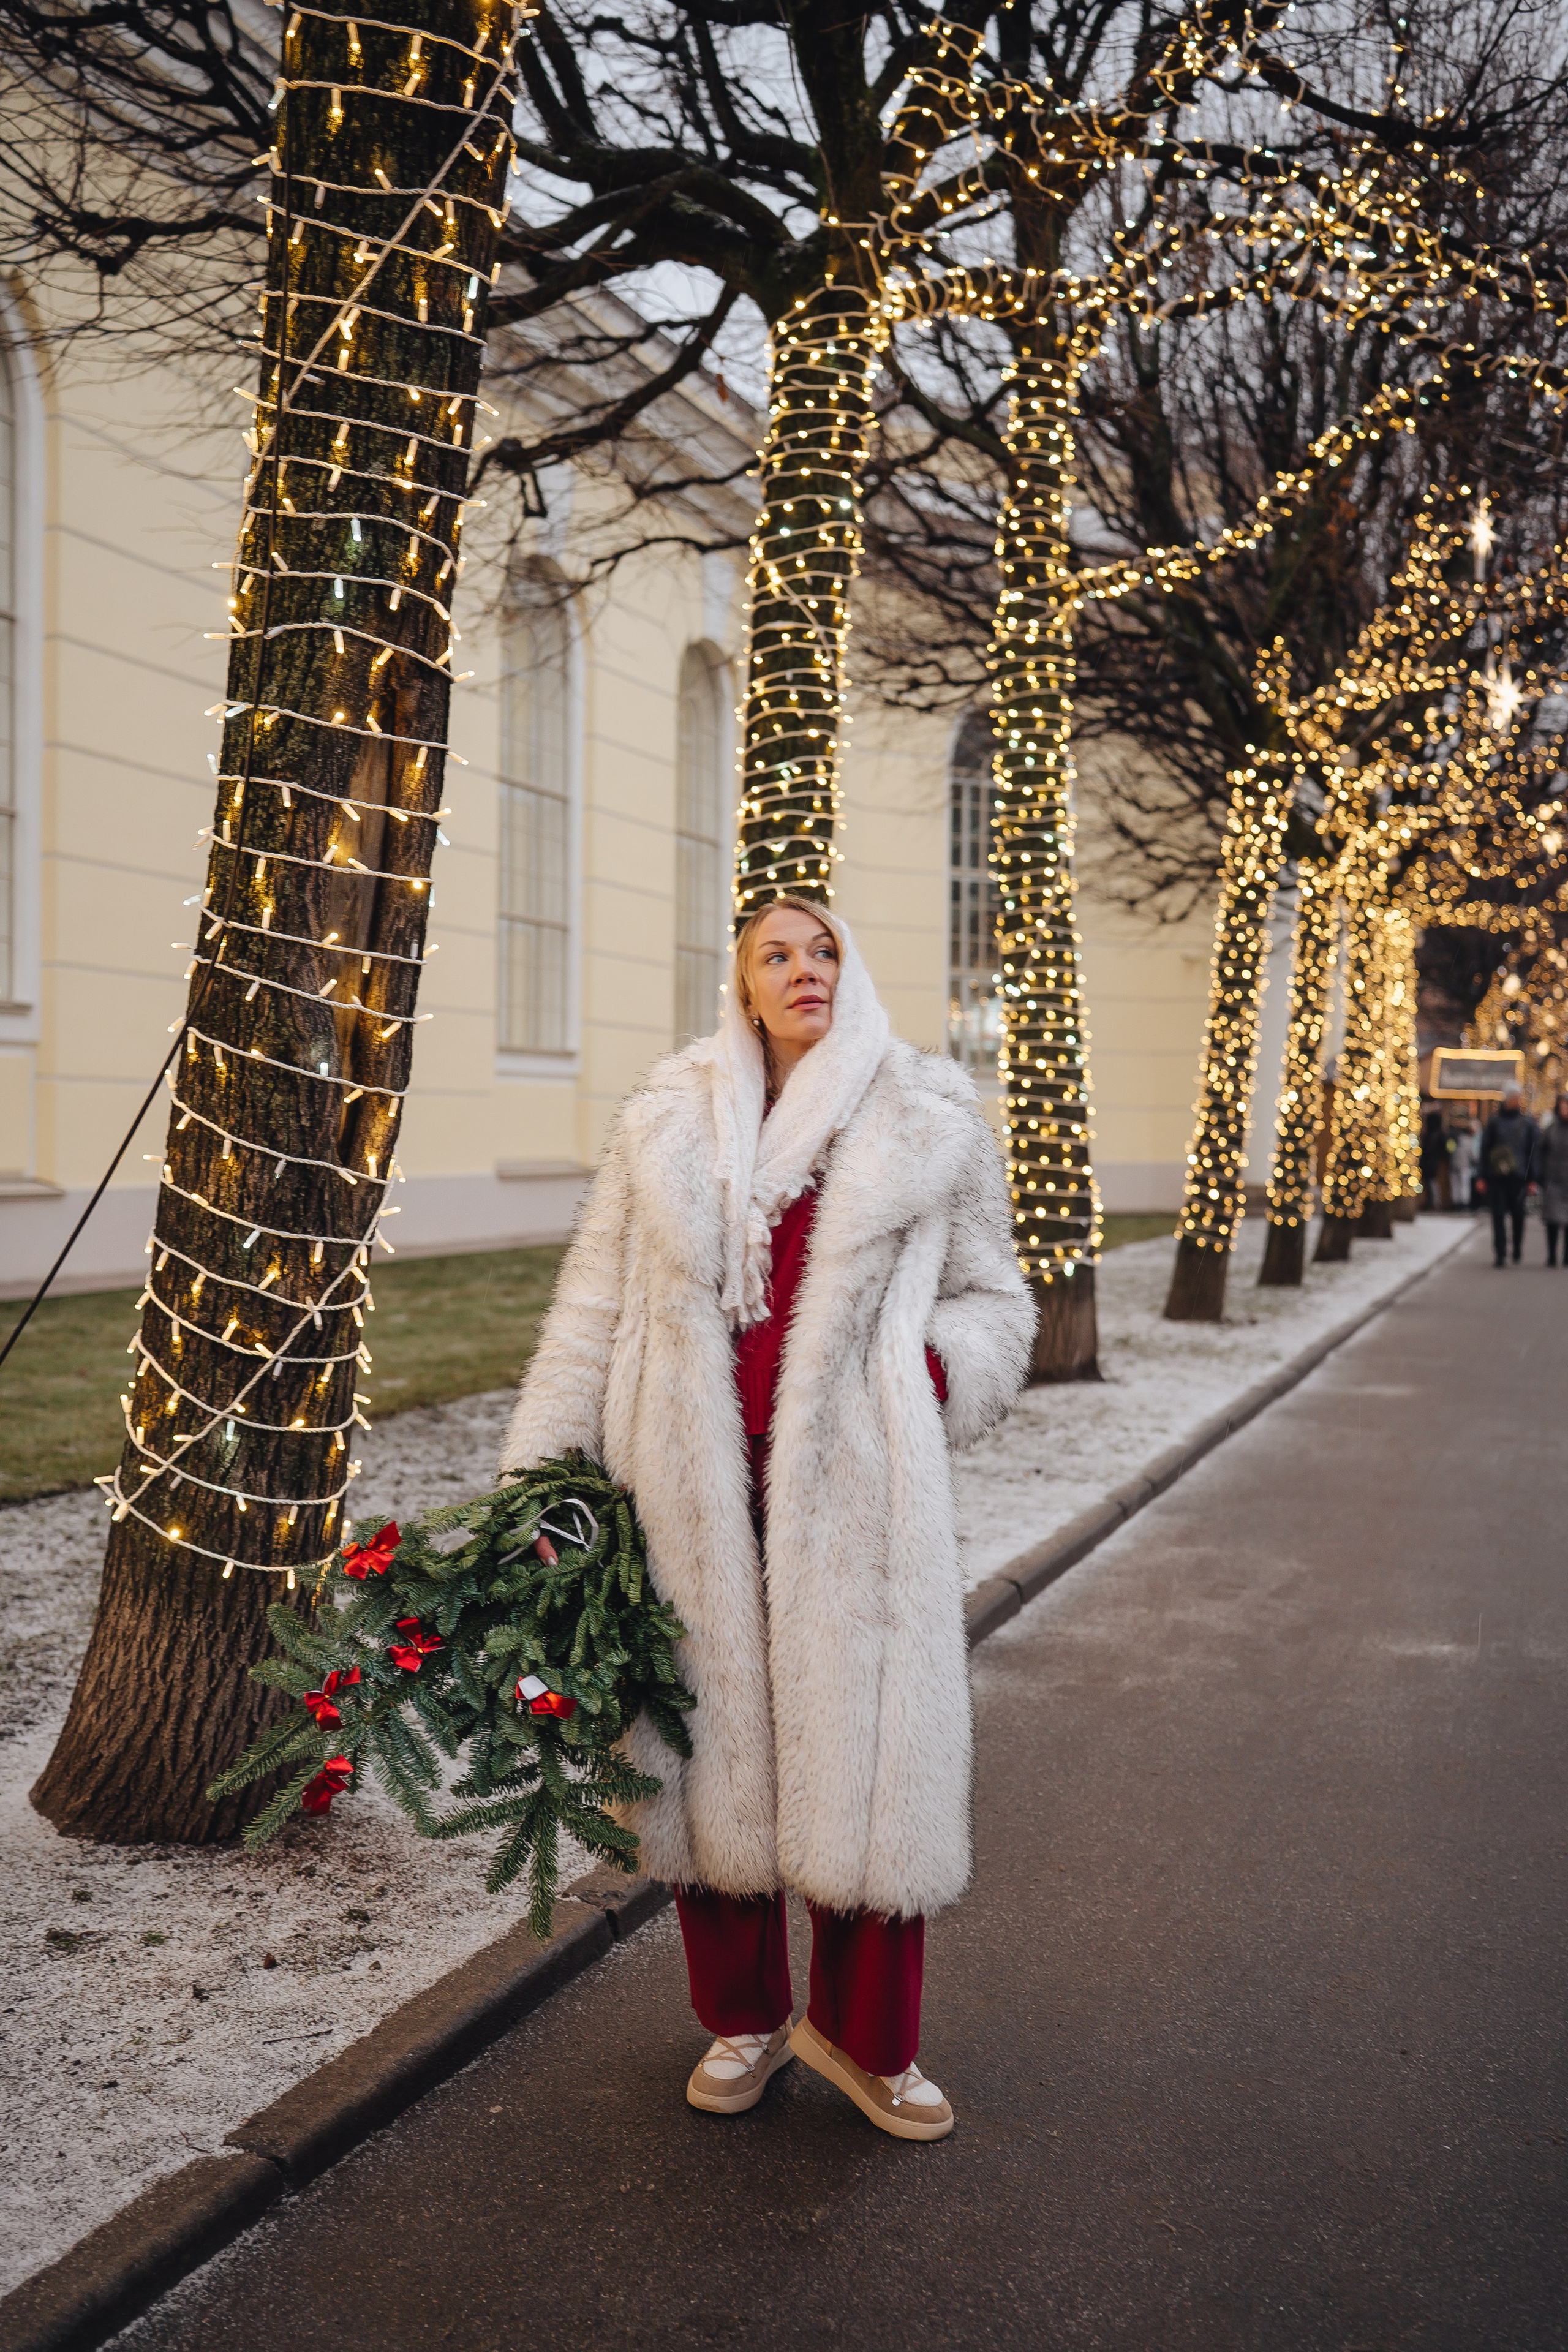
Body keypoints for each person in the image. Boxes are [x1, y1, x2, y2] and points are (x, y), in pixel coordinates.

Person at [501, 894, 1033, 2142]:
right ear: (740, 986)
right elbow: (589, 1318)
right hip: (686, 1488)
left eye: (825, 949)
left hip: (855, 1492)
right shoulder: (667, 1125)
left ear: (854, 967)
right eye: (773, 956)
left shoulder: (928, 1119)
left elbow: (994, 1301)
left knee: (867, 1764)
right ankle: (743, 2021)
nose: (803, 971)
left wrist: (925, 1380)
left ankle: (866, 2043)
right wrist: (542, 1483)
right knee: (709, 1760)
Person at [1476, 1084, 1540, 1265]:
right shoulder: (1494, 1122)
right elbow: (1485, 1150)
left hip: (1518, 1176)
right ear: (1507, 1099)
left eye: (1519, 1098)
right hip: (1496, 1176)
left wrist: (1532, 1179)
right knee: (1498, 1214)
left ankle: (1517, 1246)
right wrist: (1482, 1176)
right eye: (1515, 1098)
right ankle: (1501, 1253)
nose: (1517, 1101)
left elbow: (1531, 1153)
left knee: (1519, 1214)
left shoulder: (1527, 1123)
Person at [1537, 1093, 1568, 1265]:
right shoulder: (1551, 1129)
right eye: (1562, 1106)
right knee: (1552, 1221)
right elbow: (1540, 1153)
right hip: (1553, 1181)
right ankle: (1552, 1255)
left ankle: (1567, 1257)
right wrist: (1541, 1174)